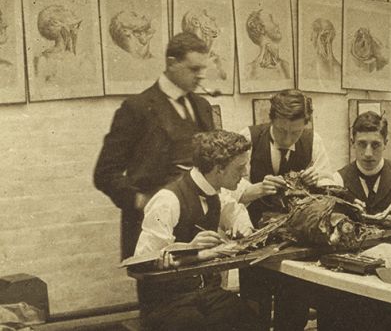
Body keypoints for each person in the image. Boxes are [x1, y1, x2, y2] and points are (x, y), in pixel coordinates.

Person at [94, 32, 217, 260]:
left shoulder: (202, 106)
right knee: (160, 293)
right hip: (154, 224)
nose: (201, 76)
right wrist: (140, 200)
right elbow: (104, 173)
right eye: (193, 69)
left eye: (203, 69)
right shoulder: (136, 108)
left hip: (198, 224)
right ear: (171, 63)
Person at [134, 130, 259, 331]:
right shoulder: (167, 200)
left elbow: (236, 211)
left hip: (207, 295)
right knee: (193, 325)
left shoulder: (219, 193)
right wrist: (189, 248)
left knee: (248, 320)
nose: (245, 173)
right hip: (168, 303)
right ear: (219, 169)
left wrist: (243, 226)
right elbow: (141, 260)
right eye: (240, 167)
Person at [236, 89, 332, 226]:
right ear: (271, 119)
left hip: (299, 228)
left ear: (306, 124)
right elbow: (231, 193)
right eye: (281, 131)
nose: (287, 140)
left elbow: (329, 186)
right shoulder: (248, 138)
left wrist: (316, 182)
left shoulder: (313, 141)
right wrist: (259, 189)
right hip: (253, 226)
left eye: (295, 132)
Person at [245, 9, 290, 80]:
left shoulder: (286, 66)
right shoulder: (249, 70)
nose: (277, 23)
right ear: (260, 29)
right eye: (271, 19)